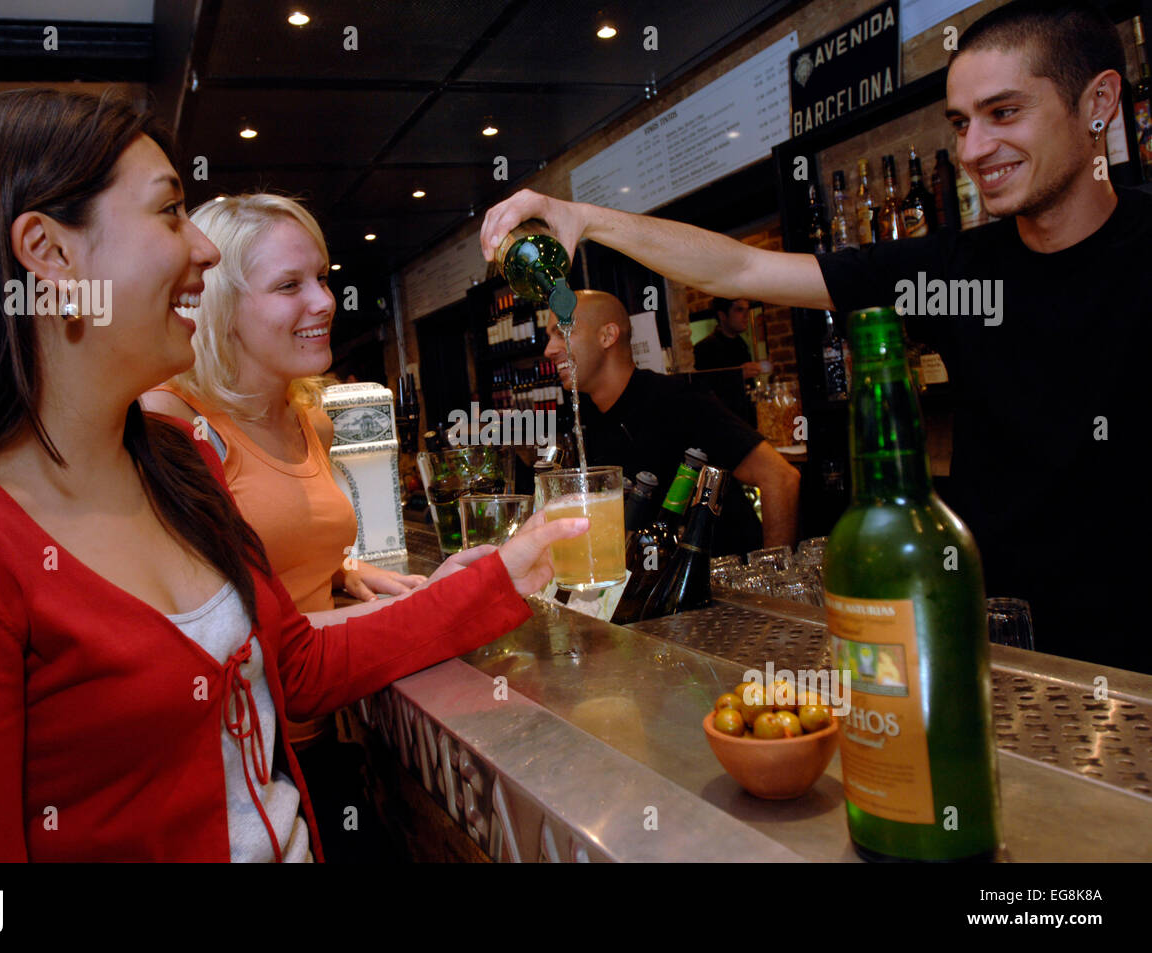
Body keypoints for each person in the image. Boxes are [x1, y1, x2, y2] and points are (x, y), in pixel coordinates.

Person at [0, 88, 588, 862]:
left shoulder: (178, 464)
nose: (203, 250)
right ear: (49, 252)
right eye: (170, 212)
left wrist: (500, 576)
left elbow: (295, 667)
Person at [482, 0, 1150, 674]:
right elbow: (742, 266)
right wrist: (584, 217)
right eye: (960, 123)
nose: (973, 149)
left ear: (1098, 102)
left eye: (1003, 114)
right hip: (992, 647)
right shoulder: (953, 268)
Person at [138, 192, 424, 861]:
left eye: (322, 277)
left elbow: (279, 546)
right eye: (289, 285)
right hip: (243, 766)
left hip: (320, 742)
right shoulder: (172, 420)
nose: (324, 301)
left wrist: (344, 571)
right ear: (219, 305)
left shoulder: (309, 416)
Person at [543, 289, 800, 555]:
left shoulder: (675, 399)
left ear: (607, 336)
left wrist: (774, 576)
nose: (549, 350)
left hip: (723, 585)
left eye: (562, 332)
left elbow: (781, 478)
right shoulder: (590, 417)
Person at [691, 296, 761, 420]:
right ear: (722, 315)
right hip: (724, 424)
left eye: (747, 310)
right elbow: (703, 390)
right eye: (739, 310)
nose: (745, 316)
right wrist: (737, 375)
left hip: (747, 421)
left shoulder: (741, 344)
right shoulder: (705, 348)